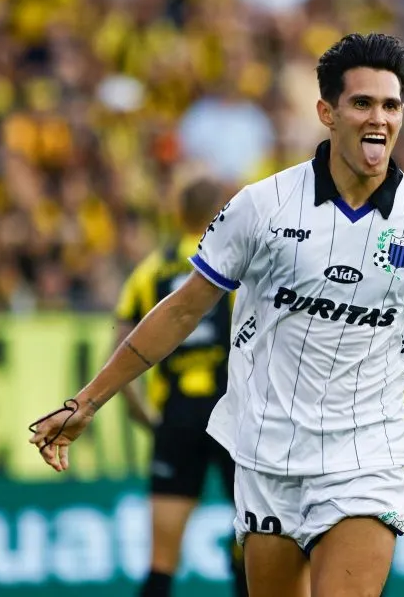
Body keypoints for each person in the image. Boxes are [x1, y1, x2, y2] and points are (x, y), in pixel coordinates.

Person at [29, 33, 404, 597]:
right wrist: (88, 401)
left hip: (367, 458)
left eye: (391, 105)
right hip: (265, 457)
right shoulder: (261, 207)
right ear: (328, 112)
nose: (379, 119)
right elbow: (180, 313)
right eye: (362, 103)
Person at [111, 175, 248, 597]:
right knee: (254, 543)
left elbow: (119, 350)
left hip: (176, 418)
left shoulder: (149, 270)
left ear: (179, 214)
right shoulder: (235, 263)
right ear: (218, 215)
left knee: (160, 564)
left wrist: (147, 418)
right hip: (234, 416)